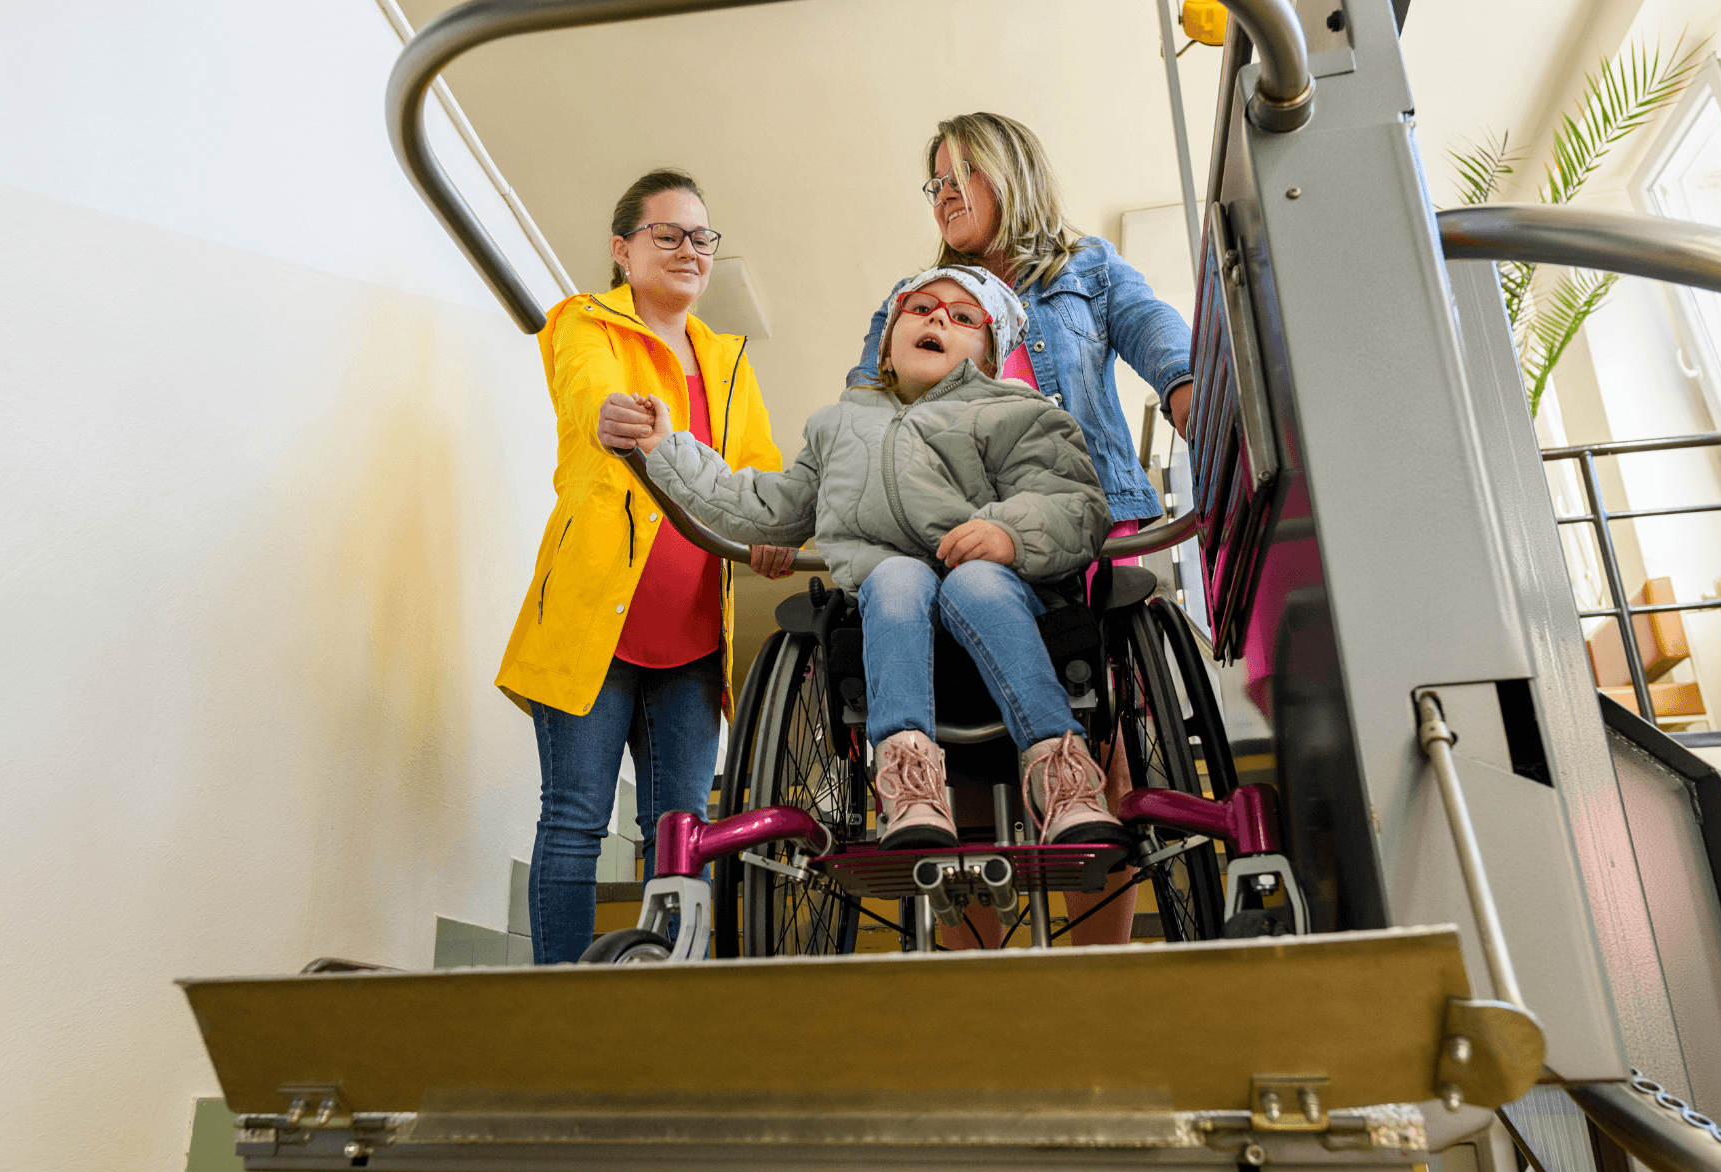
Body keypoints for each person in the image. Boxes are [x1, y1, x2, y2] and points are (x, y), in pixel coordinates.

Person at [608, 265, 1133, 878]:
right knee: (894, 576)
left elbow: (1073, 503)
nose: (939, 318)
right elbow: (764, 507)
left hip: (1002, 598)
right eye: (923, 308)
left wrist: (1008, 533)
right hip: (892, 613)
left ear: (989, 356)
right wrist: (668, 447)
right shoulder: (839, 425)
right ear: (888, 337)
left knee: (973, 581)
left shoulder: (1016, 412)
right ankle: (907, 779)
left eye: (965, 318)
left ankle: (1062, 774)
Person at [849, 112, 1196, 947]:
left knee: (1109, 759)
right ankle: (982, 991)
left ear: (1011, 173)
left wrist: (1193, 397)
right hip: (949, 545)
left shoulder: (1089, 270)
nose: (943, 195)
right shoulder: (919, 301)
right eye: (933, 183)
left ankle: (1096, 979)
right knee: (964, 766)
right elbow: (862, 405)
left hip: (1084, 532)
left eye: (960, 174)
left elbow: (1160, 335)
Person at [496, 169, 791, 965]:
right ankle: (562, 1000)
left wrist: (772, 533)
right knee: (575, 820)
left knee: (682, 835)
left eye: (702, 237)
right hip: (597, 626)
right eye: (669, 234)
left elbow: (759, 476)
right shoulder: (582, 325)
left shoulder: (728, 362)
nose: (689, 250)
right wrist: (606, 417)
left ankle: (667, 1004)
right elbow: (589, 394)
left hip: (694, 640)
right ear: (624, 249)